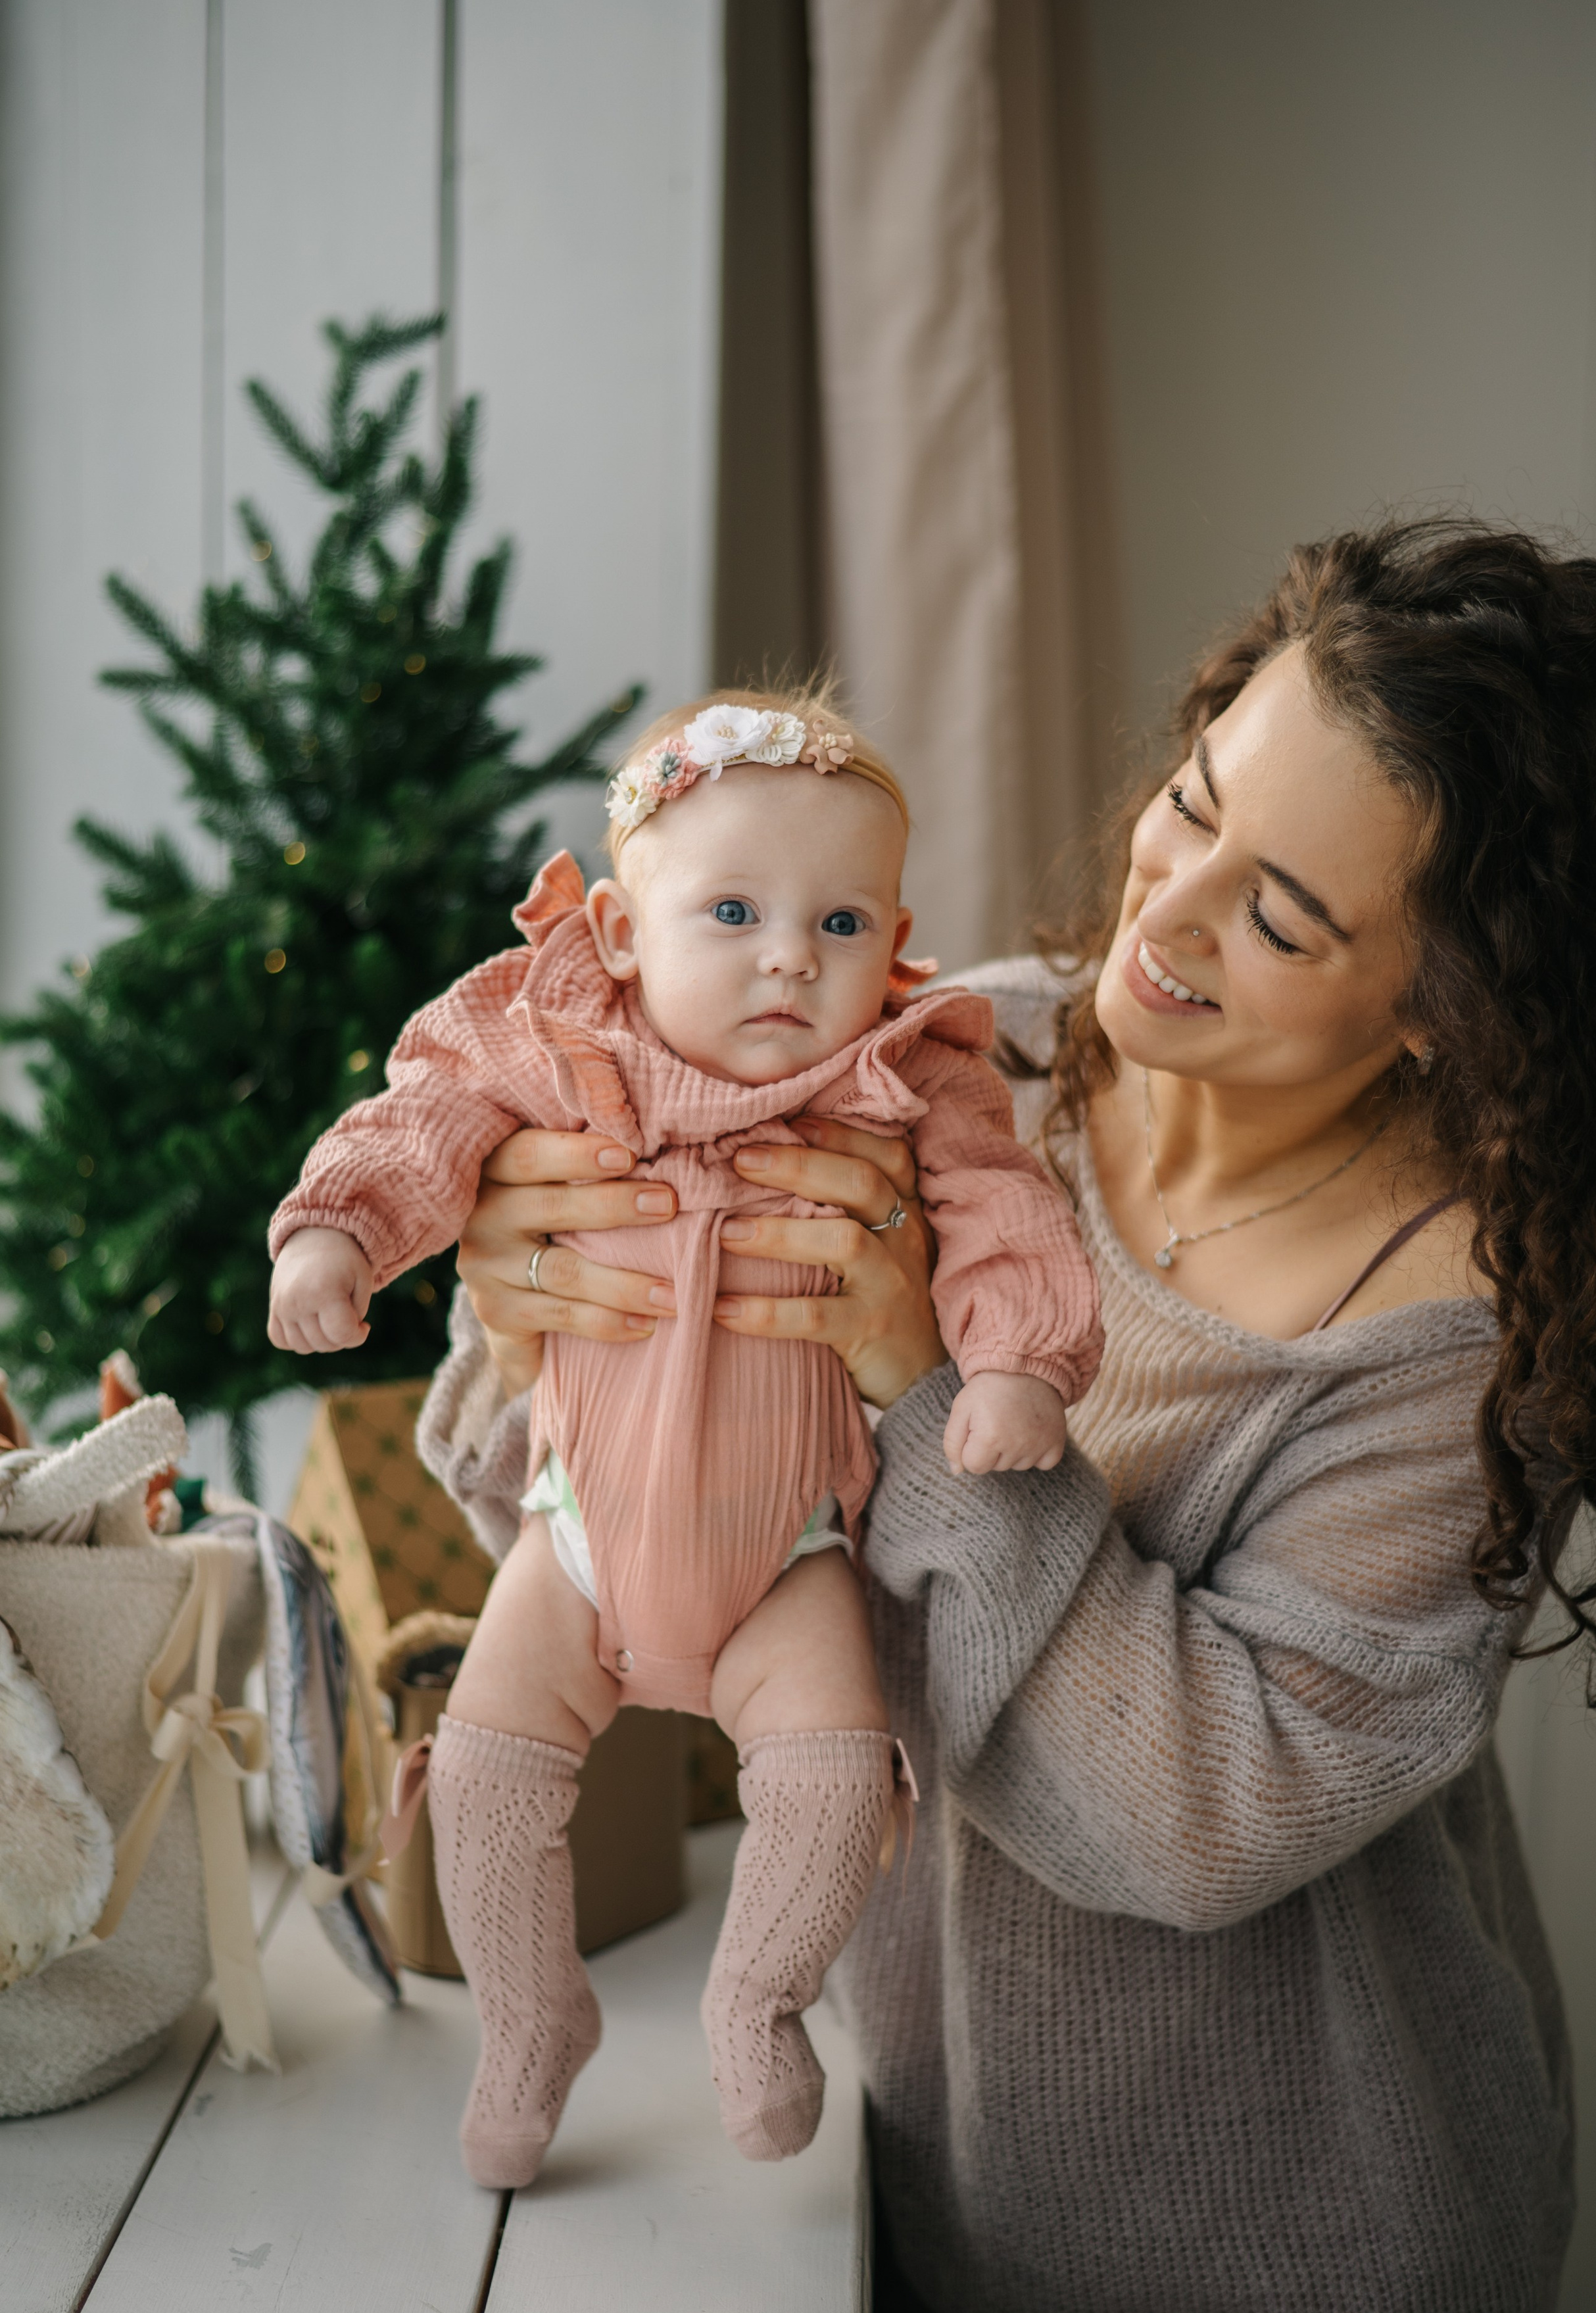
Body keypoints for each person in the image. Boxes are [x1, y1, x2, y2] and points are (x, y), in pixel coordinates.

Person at [416, 522, 1596, 2313]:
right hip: (923, 2213)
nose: (1164, 917)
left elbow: (1193, 1816)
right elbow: (599, 1543)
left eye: (1283, 919)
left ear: (1448, 1004)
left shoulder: (1449, 1339)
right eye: (1189, 809)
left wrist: (923, 1385)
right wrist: (535, 1286)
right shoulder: (959, 1054)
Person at [267, 687, 1101, 2189]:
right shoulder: (557, 1041)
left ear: (898, 939)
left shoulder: (906, 1079)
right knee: (482, 1774)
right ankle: (532, 2022)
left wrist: (1017, 1364)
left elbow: (1001, 1211)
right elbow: (423, 1116)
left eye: (842, 923)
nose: (791, 953)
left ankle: (754, 2001)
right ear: (621, 929)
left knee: (837, 1780)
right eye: (733, 909)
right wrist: (338, 1235)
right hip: (574, 1536)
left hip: (789, 1553)